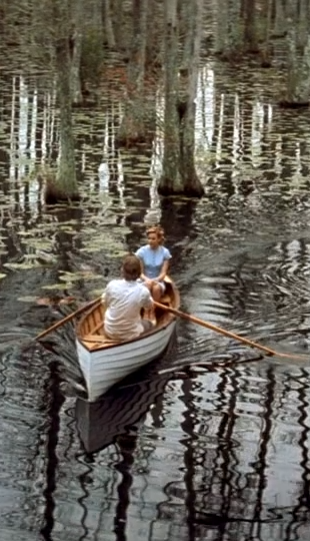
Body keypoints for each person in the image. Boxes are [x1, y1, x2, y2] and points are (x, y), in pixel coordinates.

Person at [102, 254, 154, 342]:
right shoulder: (143, 291)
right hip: (130, 334)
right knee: (150, 324)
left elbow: (104, 303)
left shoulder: (112, 285)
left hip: (109, 331)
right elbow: (149, 306)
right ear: (139, 273)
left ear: (122, 271)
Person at [135, 226, 172, 301]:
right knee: (147, 286)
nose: (150, 241)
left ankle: (152, 310)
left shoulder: (165, 252)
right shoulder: (141, 252)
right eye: (149, 238)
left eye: (153, 239)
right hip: (144, 280)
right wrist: (147, 280)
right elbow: (140, 273)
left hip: (158, 280)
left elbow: (163, 273)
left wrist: (155, 280)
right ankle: (145, 310)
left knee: (156, 288)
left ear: (158, 239)